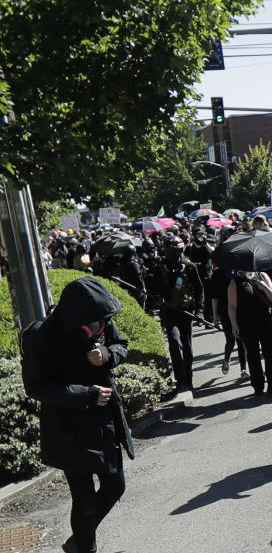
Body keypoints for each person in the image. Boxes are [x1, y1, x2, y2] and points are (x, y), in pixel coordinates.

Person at [22, 277, 135, 553]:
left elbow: (121, 344)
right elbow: (37, 386)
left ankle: (78, 542)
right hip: (68, 428)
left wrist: (108, 354)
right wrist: (85, 394)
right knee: (83, 500)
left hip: (105, 420)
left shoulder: (101, 319)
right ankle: (87, 548)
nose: (99, 326)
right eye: (93, 321)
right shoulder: (42, 335)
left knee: (115, 486)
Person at [150, 236, 203, 393]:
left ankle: (188, 378)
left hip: (185, 311)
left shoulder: (190, 267)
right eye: (168, 250)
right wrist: (156, 297)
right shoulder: (159, 267)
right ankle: (180, 379)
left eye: (173, 250)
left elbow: (199, 289)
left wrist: (199, 310)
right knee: (174, 342)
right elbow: (153, 287)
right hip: (169, 311)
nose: (170, 253)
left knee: (187, 346)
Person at [228, 269, 272, 395]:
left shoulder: (262, 275)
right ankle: (258, 386)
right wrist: (234, 324)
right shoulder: (235, 282)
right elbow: (232, 305)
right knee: (253, 355)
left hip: (265, 321)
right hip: (246, 324)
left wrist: (263, 286)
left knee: (270, 353)